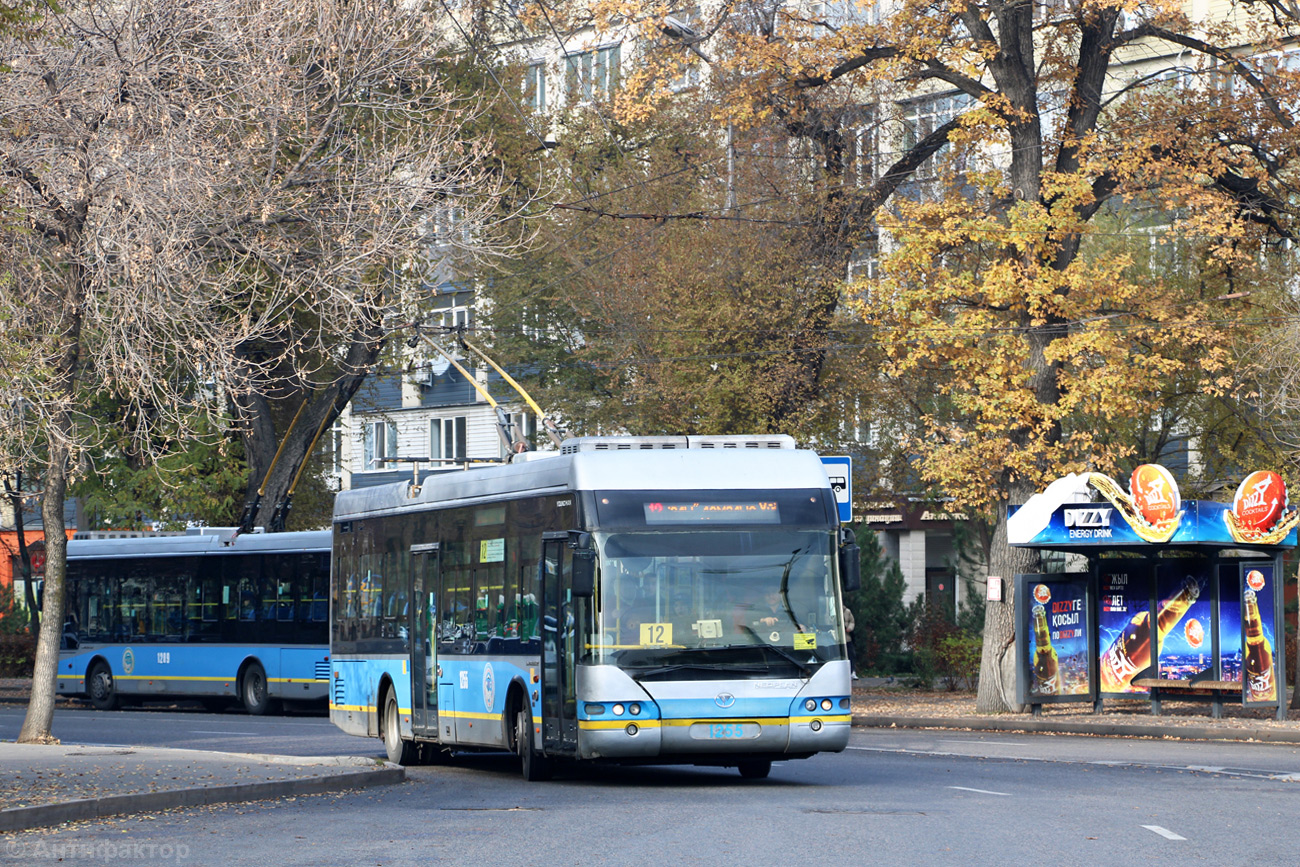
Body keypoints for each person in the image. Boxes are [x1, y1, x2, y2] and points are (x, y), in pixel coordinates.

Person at [843, 604, 858, 679]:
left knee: (851, 654)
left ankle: (852, 672)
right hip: (836, 639)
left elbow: (852, 622)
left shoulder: (847, 611)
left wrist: (849, 628)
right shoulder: (831, 611)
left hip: (847, 637)